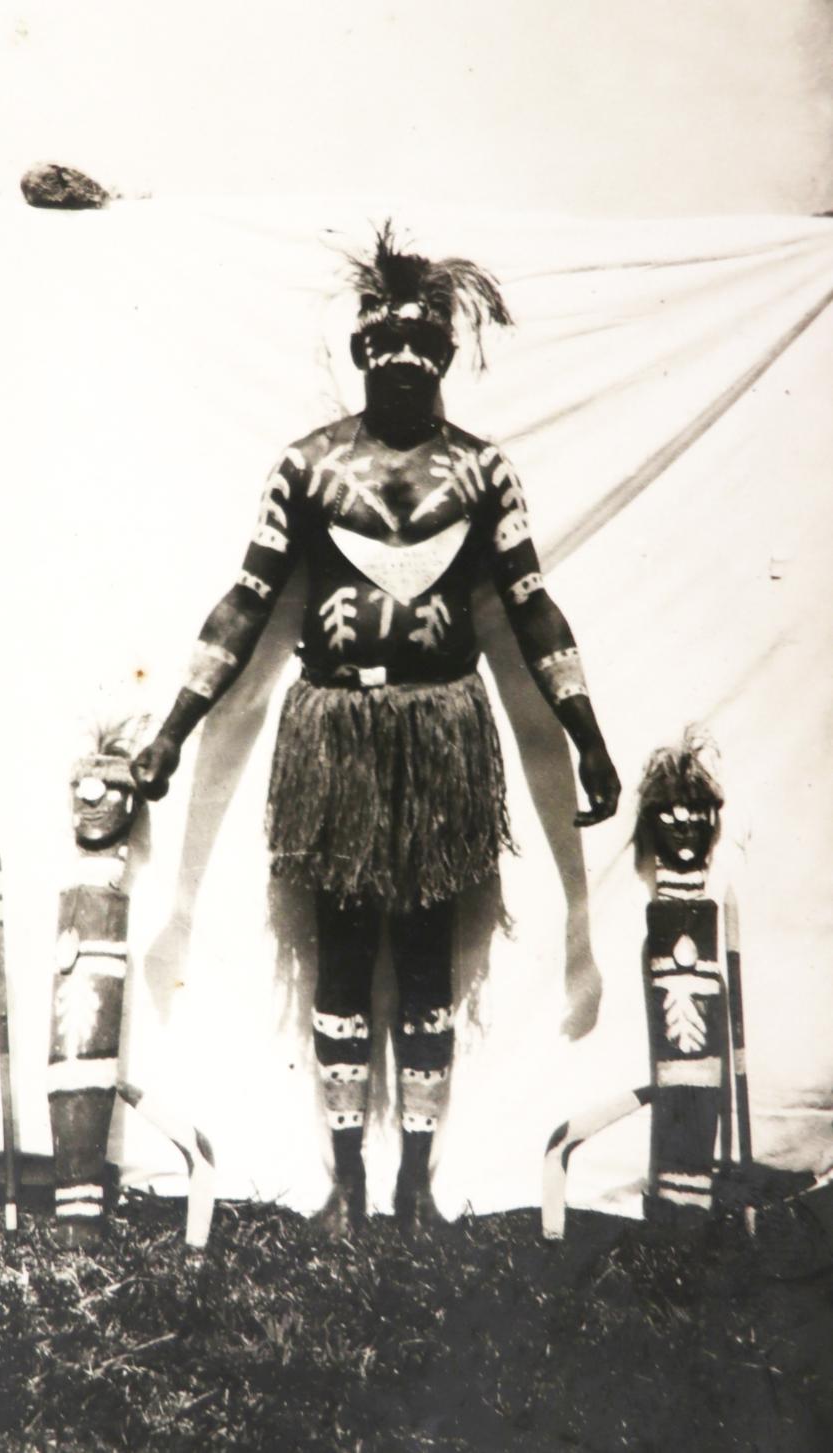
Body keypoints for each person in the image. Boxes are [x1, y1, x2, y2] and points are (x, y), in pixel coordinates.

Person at [133, 223, 620, 1235]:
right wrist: (172, 730)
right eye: (381, 345)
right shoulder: (306, 469)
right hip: (336, 731)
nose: (400, 362)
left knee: (432, 957)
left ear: (445, 356)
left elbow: (529, 601)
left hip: (442, 728)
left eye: (420, 347)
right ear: (359, 352)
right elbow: (246, 599)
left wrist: (586, 732)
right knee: (344, 951)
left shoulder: (484, 473)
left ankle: (417, 1186)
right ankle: (348, 1181)